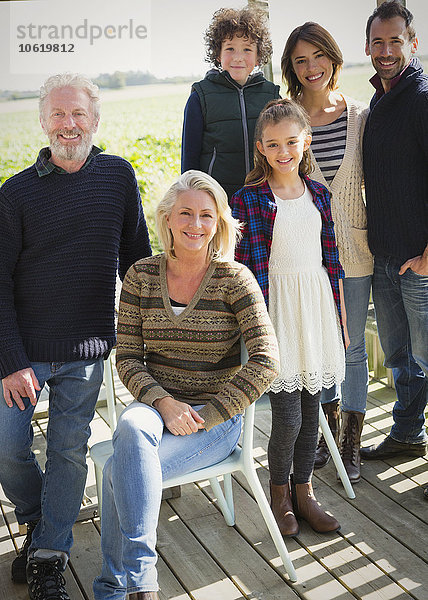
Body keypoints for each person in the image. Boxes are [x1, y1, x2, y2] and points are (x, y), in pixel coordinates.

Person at [93, 170, 280, 600]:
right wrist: (162, 401)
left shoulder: (235, 279)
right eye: (185, 214)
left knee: (118, 473)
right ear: (167, 219)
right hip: (156, 408)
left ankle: (115, 587)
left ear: (218, 223)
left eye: (206, 216)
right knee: (132, 429)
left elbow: (267, 361)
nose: (195, 224)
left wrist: (206, 415)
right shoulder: (141, 275)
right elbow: (127, 357)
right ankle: (141, 582)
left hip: (214, 421)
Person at [0, 73, 151, 600]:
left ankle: (47, 555)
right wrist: (12, 360)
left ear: (95, 120)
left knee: (68, 451)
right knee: (7, 446)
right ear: (42, 122)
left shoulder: (118, 177)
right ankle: (41, 524)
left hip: (86, 348)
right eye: (58, 115)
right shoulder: (15, 194)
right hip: (22, 353)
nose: (69, 125)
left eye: (78, 114)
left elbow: (137, 265)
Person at [231, 99, 347, 537]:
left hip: (314, 309)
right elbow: (239, 269)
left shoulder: (319, 193)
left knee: (312, 412)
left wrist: (341, 317)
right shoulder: (249, 199)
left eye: (292, 143)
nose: (284, 152)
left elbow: (331, 261)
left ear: (306, 142)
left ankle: (305, 491)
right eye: (274, 144)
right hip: (275, 311)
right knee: (289, 417)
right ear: (261, 147)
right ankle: (279, 494)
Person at [281, 22, 373, 483]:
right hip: (306, 256)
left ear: (333, 58)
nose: (311, 67)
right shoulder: (287, 118)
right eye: (300, 60)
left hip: (355, 250)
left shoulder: (360, 114)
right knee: (317, 344)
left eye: (318, 56)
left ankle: (351, 442)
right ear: (291, 68)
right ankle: (326, 433)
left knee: (352, 348)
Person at [361, 1, 428, 470]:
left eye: (395, 41)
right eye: (378, 42)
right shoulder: (380, 99)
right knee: (402, 357)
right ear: (368, 46)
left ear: (413, 43)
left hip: (419, 259)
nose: (386, 51)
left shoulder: (422, 97)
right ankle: (407, 434)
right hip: (385, 256)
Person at [181, 5, 280, 199]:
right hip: (217, 200)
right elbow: (189, 159)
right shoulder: (200, 96)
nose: (238, 57)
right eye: (230, 48)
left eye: (247, 49)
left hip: (264, 197)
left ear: (259, 56)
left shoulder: (271, 95)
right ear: (218, 54)